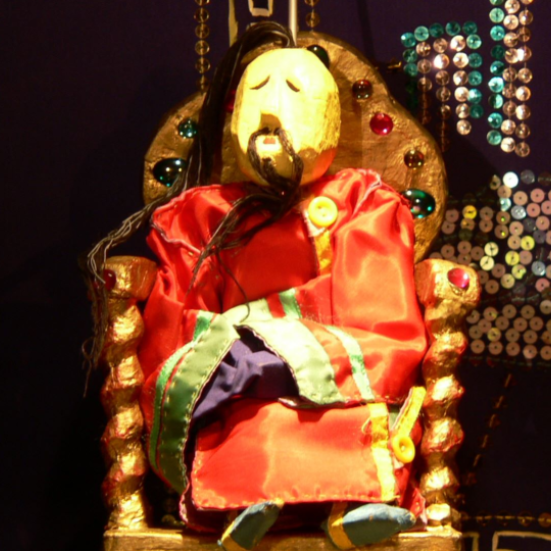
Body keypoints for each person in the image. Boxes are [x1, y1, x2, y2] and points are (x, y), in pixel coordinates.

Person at [86, 22, 428, 551]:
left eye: (293, 90)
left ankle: (353, 508)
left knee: (347, 426)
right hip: (238, 391)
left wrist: (275, 348)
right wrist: (232, 353)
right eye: (257, 90)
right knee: (256, 425)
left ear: (332, 123)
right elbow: (175, 319)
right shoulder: (200, 218)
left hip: (340, 381)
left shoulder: (361, 205)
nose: (272, 107)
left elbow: (378, 313)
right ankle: (248, 508)